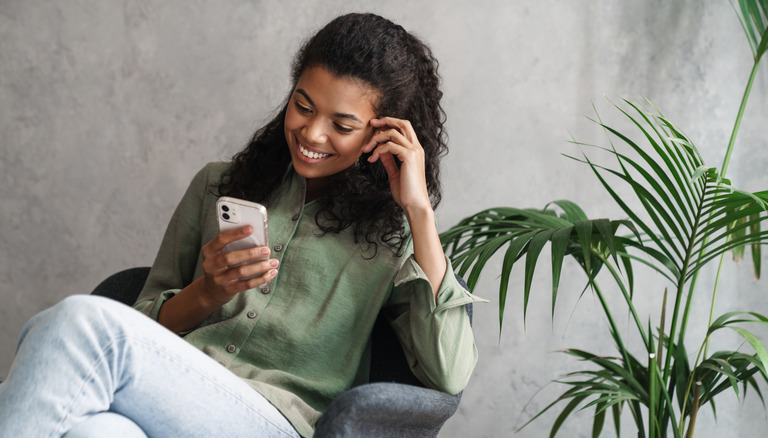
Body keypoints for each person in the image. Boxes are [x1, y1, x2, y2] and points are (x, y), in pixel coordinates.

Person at [0, 12, 483, 438]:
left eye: (341, 124)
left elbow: (449, 375)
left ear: (381, 134)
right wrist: (208, 291)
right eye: (304, 106)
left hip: (277, 422)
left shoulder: (395, 235)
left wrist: (419, 211)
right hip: (170, 394)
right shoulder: (219, 185)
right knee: (97, 431)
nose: (312, 134)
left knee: (78, 322)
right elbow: (143, 316)